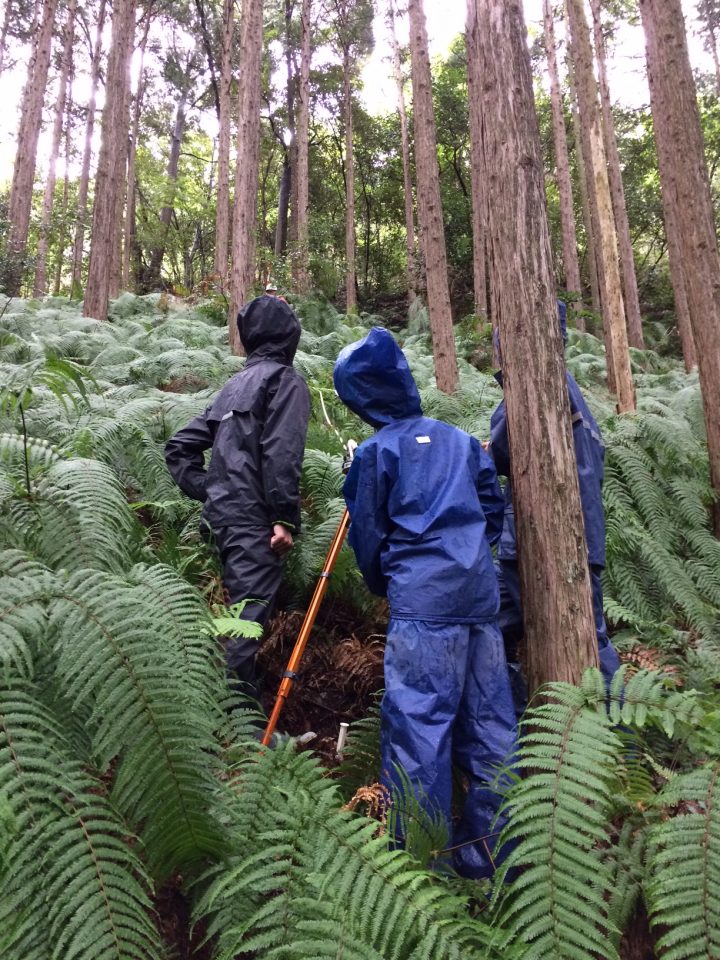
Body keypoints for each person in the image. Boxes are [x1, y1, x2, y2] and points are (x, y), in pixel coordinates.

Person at [333, 327, 517, 879]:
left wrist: (388, 579)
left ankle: (418, 867)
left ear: (361, 397)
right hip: (478, 599)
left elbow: (367, 533)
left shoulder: (375, 452)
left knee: (420, 727)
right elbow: (493, 508)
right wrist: (465, 556)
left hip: (423, 607)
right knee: (491, 727)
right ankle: (492, 857)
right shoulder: (460, 441)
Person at [165, 294, 310, 702]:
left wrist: (212, 491)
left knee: (236, 621)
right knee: (244, 627)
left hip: (223, 521)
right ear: (290, 335)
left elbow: (178, 448)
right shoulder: (284, 381)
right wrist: (282, 518)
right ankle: (242, 738)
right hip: (254, 525)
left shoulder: (232, 387)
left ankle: (236, 716)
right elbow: (282, 452)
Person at [489, 301, 621, 714]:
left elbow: (503, 451)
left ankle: (614, 744)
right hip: (573, 538)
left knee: (585, 643)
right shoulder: (563, 387)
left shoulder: (534, 386)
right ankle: (525, 731)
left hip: (541, 542)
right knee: (496, 627)